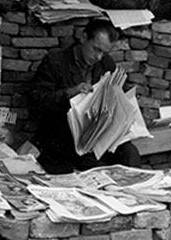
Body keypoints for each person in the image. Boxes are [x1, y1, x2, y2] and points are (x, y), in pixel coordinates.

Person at [29, 19, 141, 174]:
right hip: (66, 135)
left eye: (104, 52)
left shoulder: (105, 63)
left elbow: (120, 90)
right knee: (93, 165)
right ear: (83, 37)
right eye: (96, 49)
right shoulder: (56, 61)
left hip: (98, 131)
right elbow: (37, 99)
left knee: (130, 153)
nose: (98, 57)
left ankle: (133, 193)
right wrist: (69, 93)